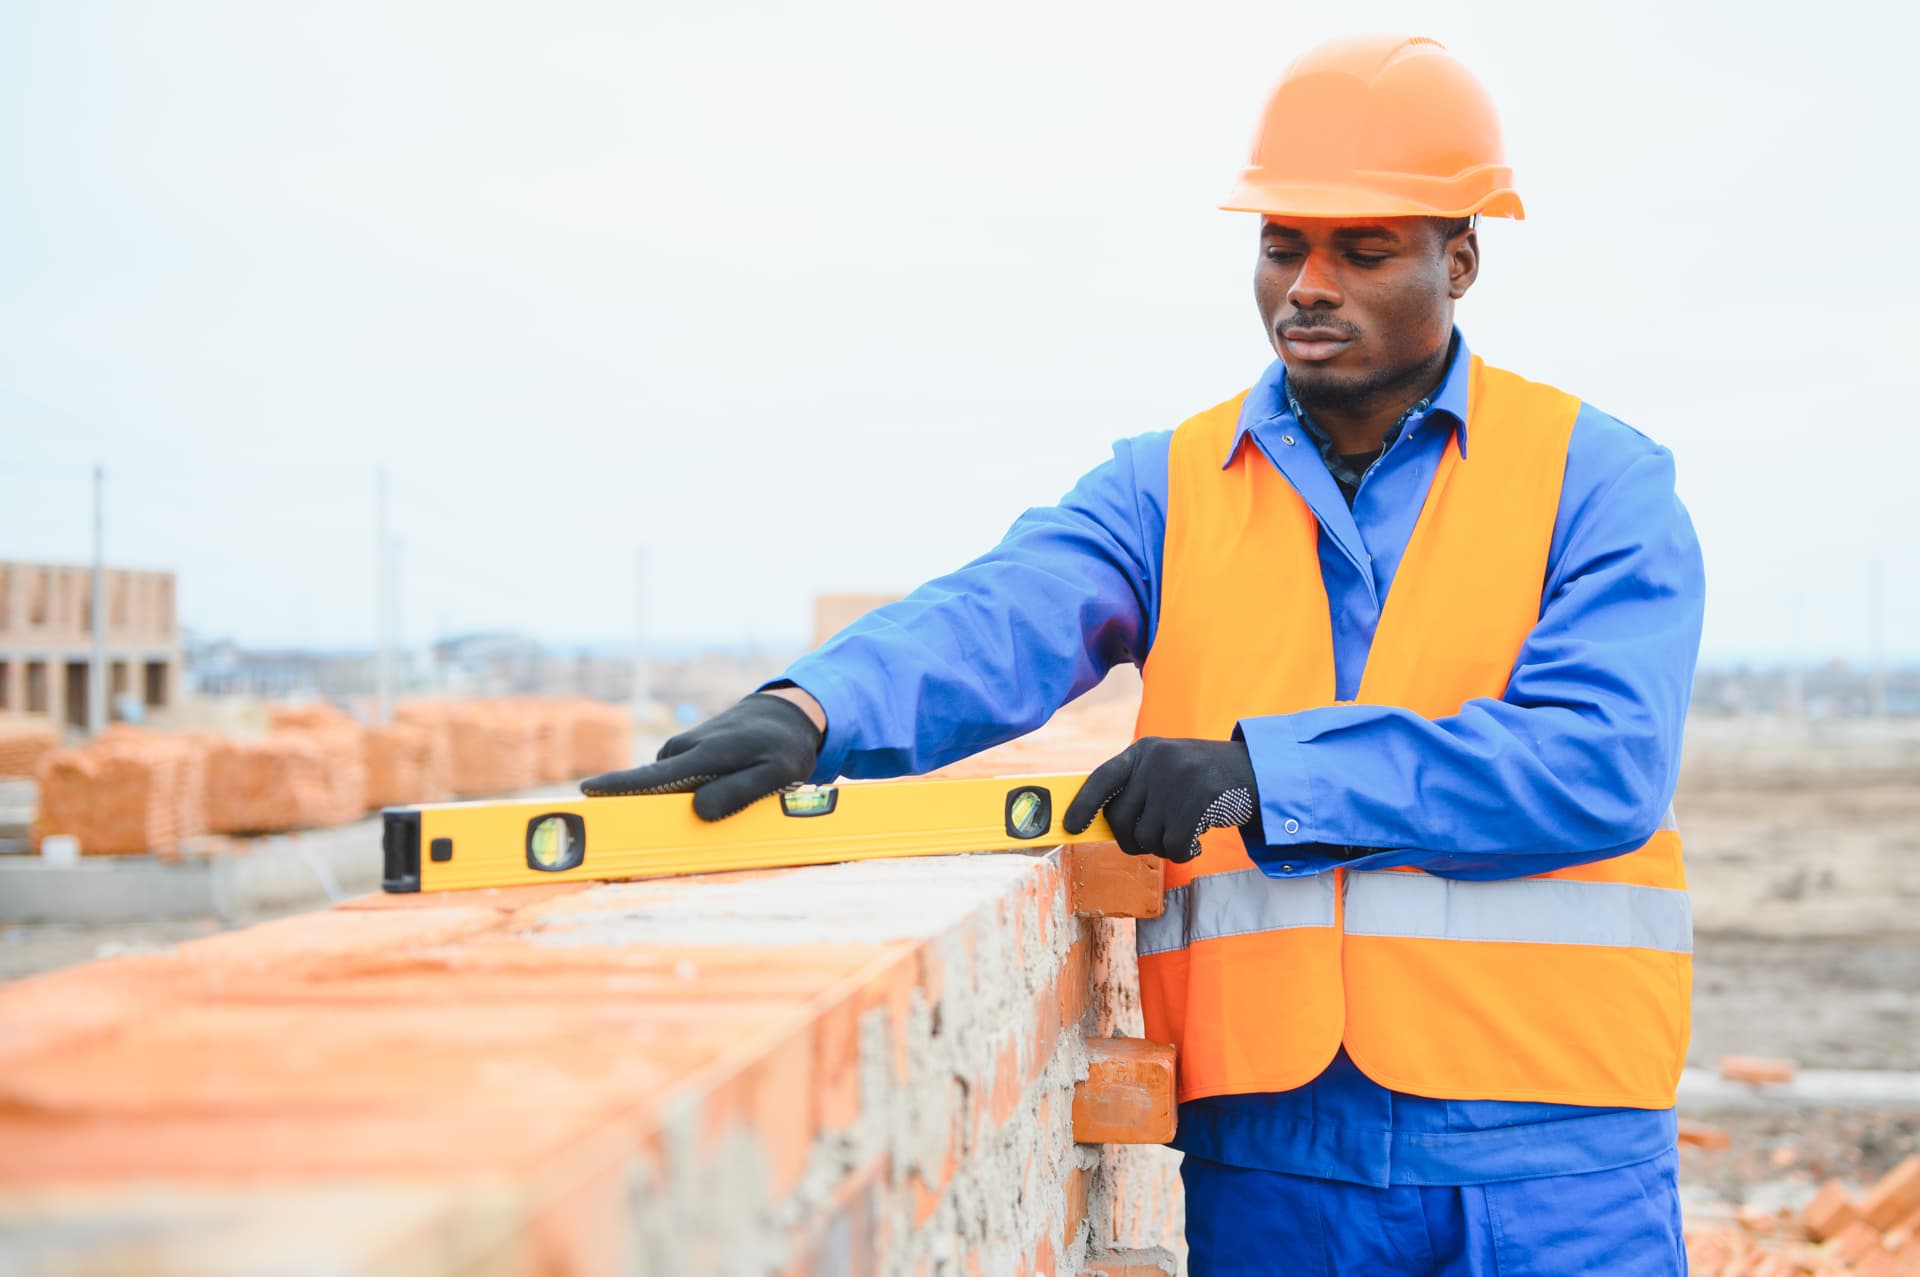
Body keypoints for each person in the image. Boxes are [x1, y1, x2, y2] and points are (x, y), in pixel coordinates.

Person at [586, 34, 1705, 1276]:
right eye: (1283, 246)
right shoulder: (1173, 483)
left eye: (1362, 250)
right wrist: (811, 705)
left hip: (1550, 1153)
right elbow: (1006, 610)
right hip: (1274, 1154)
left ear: (1464, 257)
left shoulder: (1596, 479)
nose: (1308, 284)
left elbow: (1594, 761)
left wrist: (1259, 777)